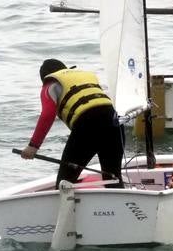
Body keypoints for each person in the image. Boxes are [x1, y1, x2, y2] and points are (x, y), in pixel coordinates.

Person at [20, 59, 124, 187]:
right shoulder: (85, 76)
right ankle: (125, 205)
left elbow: (47, 115)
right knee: (113, 178)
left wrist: (33, 146)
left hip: (88, 124)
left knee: (64, 183)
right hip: (115, 121)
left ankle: (65, 206)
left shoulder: (50, 84)